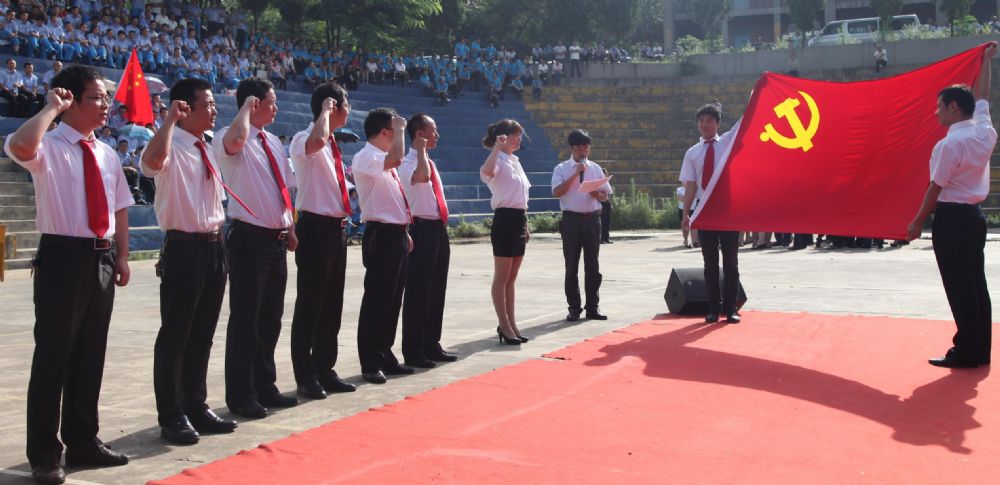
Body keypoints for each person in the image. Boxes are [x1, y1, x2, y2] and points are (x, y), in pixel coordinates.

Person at [5, 64, 132, 485]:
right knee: (54, 357)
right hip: (63, 257)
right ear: (70, 101)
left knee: (90, 355)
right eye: (96, 98)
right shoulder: (50, 144)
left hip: (101, 257)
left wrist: (122, 256)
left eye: (106, 98)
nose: (105, 106)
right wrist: (49, 110)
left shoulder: (107, 152)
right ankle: (45, 454)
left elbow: (119, 207)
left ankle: (84, 440)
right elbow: (21, 146)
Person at [140, 78, 238, 445]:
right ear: (185, 108)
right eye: (207, 104)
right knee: (176, 335)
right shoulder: (170, 143)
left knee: (203, 334)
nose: (214, 110)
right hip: (184, 247)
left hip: (214, 245)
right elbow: (151, 164)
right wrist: (168, 121)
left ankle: (195, 404)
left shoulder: (206, 146)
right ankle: (172, 414)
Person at [906, 41, 997, 369]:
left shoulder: (949, 145)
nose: (936, 112)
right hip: (974, 217)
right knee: (976, 284)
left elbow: (935, 187)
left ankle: (966, 351)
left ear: (954, 108)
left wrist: (917, 221)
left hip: (953, 220)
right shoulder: (984, 131)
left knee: (959, 286)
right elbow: (983, 95)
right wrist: (986, 60)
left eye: (940, 107)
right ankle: (979, 348)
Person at [214, 78, 300, 417]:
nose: (276, 108)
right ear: (253, 103)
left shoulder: (273, 142)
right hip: (249, 238)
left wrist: (289, 226)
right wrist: (245, 112)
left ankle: (265, 385)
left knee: (270, 318)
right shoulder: (230, 135)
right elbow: (236, 141)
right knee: (246, 320)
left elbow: (284, 189)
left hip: (276, 238)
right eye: (270, 102)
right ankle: (241, 393)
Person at [288, 82, 357, 399]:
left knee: (332, 304)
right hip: (315, 227)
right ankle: (305, 375)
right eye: (345, 104)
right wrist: (326, 112)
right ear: (332, 105)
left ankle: (325, 368)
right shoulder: (305, 138)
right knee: (311, 304)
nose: (349, 110)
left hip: (336, 228)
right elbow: (314, 142)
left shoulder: (332, 145)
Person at [353, 107, 415, 384]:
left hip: (396, 233)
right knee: (377, 300)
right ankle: (370, 361)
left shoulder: (383, 160)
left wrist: (404, 228)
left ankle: (385, 353)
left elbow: (392, 199)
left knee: (392, 300)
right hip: (381, 234)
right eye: (395, 130)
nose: (399, 134)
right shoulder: (367, 156)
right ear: (385, 132)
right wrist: (402, 129)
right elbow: (397, 158)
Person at [399, 113, 458, 368]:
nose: (437, 135)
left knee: (436, 289)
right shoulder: (407, 163)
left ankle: (432, 343)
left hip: (437, 229)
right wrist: (421, 151)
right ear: (420, 134)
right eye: (433, 130)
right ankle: (414, 349)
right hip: (420, 229)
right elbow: (421, 177)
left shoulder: (430, 163)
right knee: (418, 291)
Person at [680, 102, 743, 324]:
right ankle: (713, 309)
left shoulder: (726, 142)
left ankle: (731, 309)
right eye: (701, 121)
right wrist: (686, 214)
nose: (704, 125)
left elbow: (743, 123)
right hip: (704, 210)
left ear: (717, 123)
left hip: (726, 210)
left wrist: (758, 94)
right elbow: (690, 186)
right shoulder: (692, 153)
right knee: (710, 263)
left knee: (731, 262)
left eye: (709, 120)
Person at [551, 129, 610, 322]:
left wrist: (597, 194)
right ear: (573, 148)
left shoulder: (596, 168)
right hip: (571, 221)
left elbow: (605, 196)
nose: (585, 150)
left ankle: (593, 307)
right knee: (571, 266)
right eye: (581, 147)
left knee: (593, 265)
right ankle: (574, 308)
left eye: (587, 146)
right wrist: (575, 175)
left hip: (592, 220)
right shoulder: (561, 168)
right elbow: (557, 192)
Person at [480, 119, 531, 345]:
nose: (519, 139)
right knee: (501, 277)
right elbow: (487, 172)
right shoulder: (498, 159)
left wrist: (526, 224)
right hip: (504, 220)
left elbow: (522, 196)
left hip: (519, 219)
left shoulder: (515, 161)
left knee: (511, 279)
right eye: (516, 135)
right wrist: (496, 148)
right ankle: (504, 325)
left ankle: (512, 324)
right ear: (503, 137)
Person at [600, 168, 613, 244]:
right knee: (602, 221)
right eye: (605, 173)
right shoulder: (599, 183)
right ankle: (601, 238)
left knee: (607, 221)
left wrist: (610, 203)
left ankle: (606, 238)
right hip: (601, 203)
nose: (606, 174)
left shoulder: (606, 182)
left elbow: (609, 193)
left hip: (606, 203)